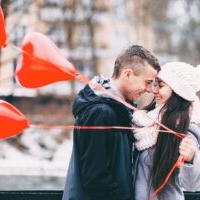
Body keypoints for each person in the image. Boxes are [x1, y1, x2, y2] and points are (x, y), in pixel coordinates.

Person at [62, 45, 160, 200]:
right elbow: (96, 179)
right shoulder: (101, 112)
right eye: (147, 82)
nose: (149, 89)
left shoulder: (118, 109)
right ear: (127, 74)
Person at [132, 62, 200, 200]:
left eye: (161, 85)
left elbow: (192, 185)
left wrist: (190, 159)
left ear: (178, 90)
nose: (154, 90)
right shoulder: (145, 123)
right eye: (155, 84)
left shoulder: (184, 131)